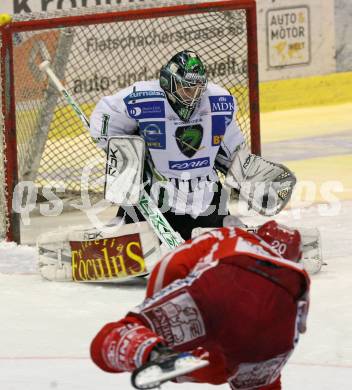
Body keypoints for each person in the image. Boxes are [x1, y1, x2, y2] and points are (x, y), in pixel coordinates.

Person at [90, 220, 310, 389]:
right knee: (227, 371)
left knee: (109, 339)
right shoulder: (295, 277)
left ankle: (154, 352)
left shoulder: (233, 236)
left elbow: (172, 263)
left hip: (220, 284)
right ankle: (198, 361)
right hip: (280, 316)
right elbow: (295, 327)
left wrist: (152, 320)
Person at [89, 50, 246, 240]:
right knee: (129, 247)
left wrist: (243, 172)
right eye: (187, 89)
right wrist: (125, 153)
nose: (194, 96)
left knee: (223, 252)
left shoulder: (219, 101)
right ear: (169, 82)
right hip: (153, 196)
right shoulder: (141, 99)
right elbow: (104, 121)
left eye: (198, 88)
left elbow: (232, 147)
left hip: (206, 196)